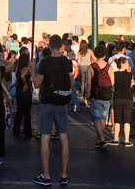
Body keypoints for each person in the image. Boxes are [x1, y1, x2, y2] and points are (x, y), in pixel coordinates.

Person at [30, 34, 73, 186]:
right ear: (61, 45)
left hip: (47, 103)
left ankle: (46, 175)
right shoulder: (67, 62)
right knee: (64, 138)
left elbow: (36, 84)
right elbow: (71, 83)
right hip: (62, 103)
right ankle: (64, 174)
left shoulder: (44, 63)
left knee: (45, 138)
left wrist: (31, 69)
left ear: (49, 46)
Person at [86, 45, 114, 148]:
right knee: (102, 117)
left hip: (96, 94)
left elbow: (88, 83)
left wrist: (88, 95)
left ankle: (102, 138)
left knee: (96, 117)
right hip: (106, 94)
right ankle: (98, 140)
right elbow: (112, 82)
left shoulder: (91, 67)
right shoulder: (109, 67)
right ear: (105, 54)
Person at [109, 56, 134, 147]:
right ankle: (127, 140)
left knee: (117, 119)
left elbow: (112, 83)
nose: (128, 65)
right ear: (123, 65)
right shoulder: (129, 75)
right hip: (128, 98)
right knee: (127, 119)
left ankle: (116, 139)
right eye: (127, 63)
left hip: (117, 97)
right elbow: (132, 84)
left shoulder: (115, 74)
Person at [13, 50, 33, 138]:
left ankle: (16, 130)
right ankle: (27, 131)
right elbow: (22, 76)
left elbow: (19, 76)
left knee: (19, 111)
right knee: (27, 112)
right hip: (26, 90)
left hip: (19, 90)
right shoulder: (27, 68)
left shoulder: (18, 68)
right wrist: (26, 84)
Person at [77, 40, 95, 107]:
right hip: (88, 67)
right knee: (88, 81)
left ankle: (82, 95)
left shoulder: (79, 52)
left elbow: (78, 61)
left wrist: (77, 68)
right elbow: (94, 59)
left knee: (82, 81)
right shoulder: (90, 51)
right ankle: (87, 94)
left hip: (82, 67)